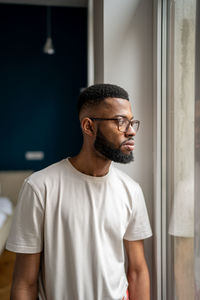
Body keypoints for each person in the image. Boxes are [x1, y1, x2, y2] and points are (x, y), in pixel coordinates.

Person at [6, 83, 152, 300]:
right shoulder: (39, 188)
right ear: (89, 127)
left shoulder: (131, 190)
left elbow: (138, 271)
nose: (130, 131)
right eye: (120, 121)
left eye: (131, 122)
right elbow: (24, 283)